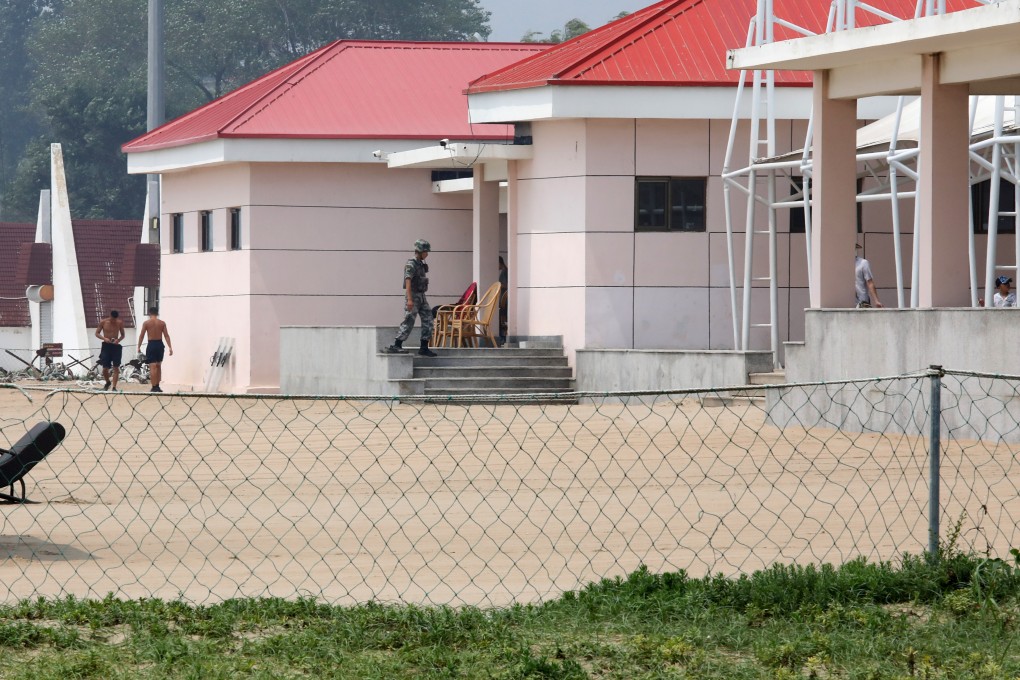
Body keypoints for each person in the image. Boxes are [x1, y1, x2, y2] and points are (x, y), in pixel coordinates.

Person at [385, 239, 438, 357]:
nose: (427, 254)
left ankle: (424, 347)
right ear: (420, 251)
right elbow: (407, 281)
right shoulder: (411, 264)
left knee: (428, 319)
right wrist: (409, 299)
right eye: (425, 251)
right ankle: (397, 344)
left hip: (422, 296)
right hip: (413, 296)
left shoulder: (420, 264)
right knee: (409, 320)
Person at [137, 306, 173, 392]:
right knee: (158, 366)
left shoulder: (146, 323)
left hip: (152, 344)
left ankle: (153, 387)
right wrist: (170, 347)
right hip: (160, 344)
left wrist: (139, 346)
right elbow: (166, 335)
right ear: (157, 313)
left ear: (149, 313)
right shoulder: (162, 323)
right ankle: (157, 386)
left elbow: (141, 335)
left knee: (152, 366)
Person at [94, 310, 125, 391]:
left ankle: (114, 387)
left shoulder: (119, 323)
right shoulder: (103, 322)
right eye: (112, 319)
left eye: (115, 319)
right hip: (106, 346)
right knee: (105, 368)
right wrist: (104, 338)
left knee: (116, 367)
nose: (113, 321)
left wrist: (118, 340)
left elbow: (123, 335)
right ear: (110, 316)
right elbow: (97, 333)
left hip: (115, 346)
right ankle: (108, 382)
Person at [854, 244, 883, 308]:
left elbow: (870, 282)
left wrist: (876, 301)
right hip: (848, 303)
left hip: (862, 302)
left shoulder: (863, 263)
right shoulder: (842, 264)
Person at [497, 255, 508, 347]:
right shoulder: (505, 271)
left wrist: (498, 285)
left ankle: (502, 339)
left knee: (502, 320)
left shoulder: (505, 272)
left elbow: (507, 285)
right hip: (503, 300)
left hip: (504, 301)